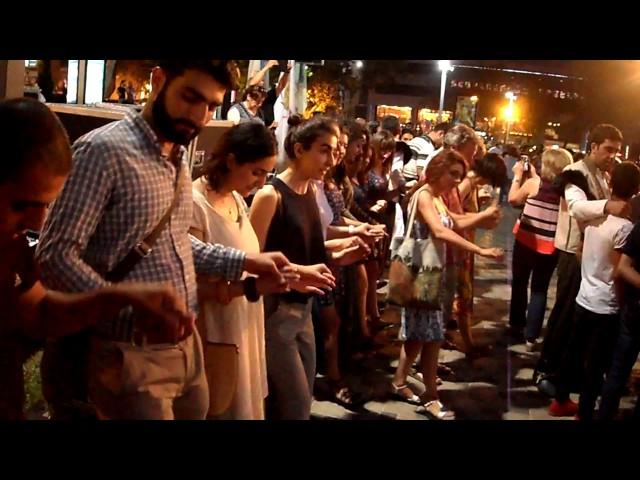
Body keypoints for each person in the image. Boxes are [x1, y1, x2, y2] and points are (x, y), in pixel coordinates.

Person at [36, 60, 295, 420]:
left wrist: (245, 261)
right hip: (125, 351)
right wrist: (128, 302)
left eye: (211, 105)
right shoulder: (104, 151)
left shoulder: (175, 154)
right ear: (159, 80)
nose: (200, 116)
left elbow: (172, 243)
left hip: (185, 349)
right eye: (191, 98)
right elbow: (54, 257)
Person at [0, 98, 195, 419]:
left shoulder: (12, 246)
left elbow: (38, 314)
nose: (38, 223)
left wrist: (122, 298)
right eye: (21, 205)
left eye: (47, 206)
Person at [190, 123, 295, 420]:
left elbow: (251, 260)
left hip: (244, 326)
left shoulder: (236, 199)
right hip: (216, 334)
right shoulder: (195, 205)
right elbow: (190, 286)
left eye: (266, 174)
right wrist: (247, 289)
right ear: (231, 160)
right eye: (256, 172)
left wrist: (295, 273)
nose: (261, 183)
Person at [390, 150, 503, 419]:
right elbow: (441, 231)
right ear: (438, 169)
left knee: (420, 334)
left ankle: (399, 381)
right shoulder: (425, 195)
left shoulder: (437, 198)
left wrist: (483, 217)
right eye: (453, 174)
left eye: (460, 176)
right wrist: (480, 250)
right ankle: (431, 395)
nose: (457, 180)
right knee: (432, 336)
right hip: (421, 274)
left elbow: (456, 220)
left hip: (431, 272)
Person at [250, 116, 339, 419]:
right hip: (277, 312)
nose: (331, 160)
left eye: (334, 151)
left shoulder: (311, 192)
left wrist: (347, 249)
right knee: (294, 404)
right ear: (299, 149)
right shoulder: (269, 196)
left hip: (304, 311)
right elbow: (250, 261)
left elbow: (309, 251)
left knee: (301, 402)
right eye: (324, 150)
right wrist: (300, 275)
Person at [535, 125, 629, 407]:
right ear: (593, 146)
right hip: (572, 254)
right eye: (608, 149)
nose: (613, 155)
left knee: (579, 322)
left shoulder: (601, 173)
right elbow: (576, 207)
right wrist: (606, 207)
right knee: (565, 315)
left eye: (616, 151)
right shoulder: (575, 174)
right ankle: (549, 372)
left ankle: (569, 375)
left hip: (589, 255)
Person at [550, 162, 640, 420]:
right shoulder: (624, 228)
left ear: (610, 184)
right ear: (635, 190)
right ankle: (585, 413)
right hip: (606, 304)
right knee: (596, 364)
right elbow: (617, 271)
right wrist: (622, 302)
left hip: (584, 297)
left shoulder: (593, 218)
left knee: (574, 351)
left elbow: (581, 252)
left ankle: (560, 400)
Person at [508, 148, 573, 350]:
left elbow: (513, 199)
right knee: (539, 288)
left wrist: (517, 177)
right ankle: (531, 335)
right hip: (549, 247)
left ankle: (516, 325)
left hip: (526, 241)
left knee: (519, 282)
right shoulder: (567, 191)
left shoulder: (533, 184)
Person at [246, 60, 292, 130]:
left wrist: (287, 72)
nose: (262, 81)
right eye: (260, 79)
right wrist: (267, 67)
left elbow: (281, 86)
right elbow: (252, 84)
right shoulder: (248, 96)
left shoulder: (268, 96)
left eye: (262, 80)